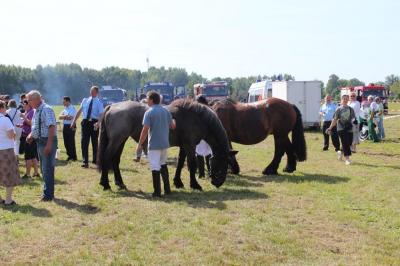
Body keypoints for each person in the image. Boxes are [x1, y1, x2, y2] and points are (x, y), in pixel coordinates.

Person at [136, 91, 176, 197]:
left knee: (155, 167)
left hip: (154, 144)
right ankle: (167, 190)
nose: (147, 100)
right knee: (163, 164)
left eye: (148, 99)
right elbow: (172, 126)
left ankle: (157, 192)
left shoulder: (149, 112)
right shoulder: (166, 111)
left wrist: (140, 144)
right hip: (164, 143)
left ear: (152, 100)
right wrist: (174, 122)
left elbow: (145, 130)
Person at [26, 90, 57, 202]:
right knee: (44, 169)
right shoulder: (36, 110)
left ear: (36, 99)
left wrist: (49, 144)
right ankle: (47, 193)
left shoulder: (46, 109)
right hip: (40, 141)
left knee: (47, 169)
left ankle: (48, 195)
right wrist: (31, 136)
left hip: (47, 141)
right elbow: (36, 127)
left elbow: (51, 127)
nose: (28, 102)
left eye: (29, 100)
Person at [71, 86, 104, 168]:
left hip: (94, 123)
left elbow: (101, 114)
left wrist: (98, 123)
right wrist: (74, 121)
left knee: (94, 142)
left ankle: (95, 160)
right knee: (84, 142)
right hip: (85, 123)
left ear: (97, 93)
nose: (91, 93)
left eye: (93, 91)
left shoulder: (99, 102)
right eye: (91, 91)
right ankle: (85, 161)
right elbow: (79, 111)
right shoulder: (85, 100)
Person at [0, 100, 21, 206]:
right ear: (2, 108)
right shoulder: (5, 120)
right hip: (6, 150)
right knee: (9, 174)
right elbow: (11, 135)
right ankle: (8, 200)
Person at [327, 95, 356, 165]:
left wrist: (355, 124)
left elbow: (353, 119)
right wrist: (330, 127)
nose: (345, 100)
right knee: (345, 142)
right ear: (341, 100)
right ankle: (347, 159)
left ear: (348, 100)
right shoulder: (338, 109)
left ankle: (340, 153)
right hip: (341, 128)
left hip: (349, 128)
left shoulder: (351, 109)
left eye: (347, 99)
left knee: (349, 143)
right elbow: (334, 119)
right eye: (344, 99)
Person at [20, 100, 40, 179]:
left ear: (28, 104)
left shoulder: (31, 112)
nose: (23, 105)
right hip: (29, 135)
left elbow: (31, 124)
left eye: (24, 104)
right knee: (33, 156)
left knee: (28, 156)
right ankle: (36, 172)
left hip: (29, 137)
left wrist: (24, 117)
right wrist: (21, 126)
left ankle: (27, 174)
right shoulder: (28, 111)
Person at [59, 96, 77, 161]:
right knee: (66, 142)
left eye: (64, 102)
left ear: (68, 101)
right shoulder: (65, 109)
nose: (63, 103)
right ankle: (69, 155)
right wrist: (65, 116)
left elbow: (71, 117)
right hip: (65, 126)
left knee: (71, 141)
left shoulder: (73, 108)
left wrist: (64, 117)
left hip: (71, 125)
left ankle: (74, 156)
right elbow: (59, 117)